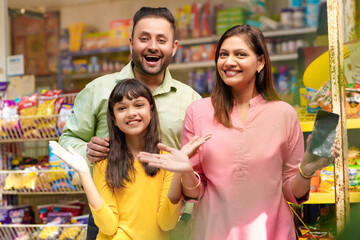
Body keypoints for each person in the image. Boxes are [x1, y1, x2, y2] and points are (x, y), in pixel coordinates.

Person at [138, 24, 340, 240]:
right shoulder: (198, 112)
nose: (229, 61)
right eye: (223, 54)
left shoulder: (284, 113)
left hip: (271, 233)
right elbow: (194, 193)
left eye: (240, 54)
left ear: (260, 62)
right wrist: (185, 171)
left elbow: (292, 193)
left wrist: (306, 171)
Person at [58, 7, 201, 239]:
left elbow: (201, 162)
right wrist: (87, 151)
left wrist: (189, 212)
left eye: (161, 40)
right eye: (144, 38)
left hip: (172, 218)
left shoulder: (191, 100)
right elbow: (67, 139)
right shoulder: (98, 90)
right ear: (131, 43)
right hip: (109, 218)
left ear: (173, 47)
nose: (152, 46)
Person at [51, 79, 208, 240]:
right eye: (122, 108)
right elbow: (108, 225)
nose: (131, 113)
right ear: (113, 118)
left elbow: (166, 222)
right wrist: (84, 173)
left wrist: (178, 171)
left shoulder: (165, 161)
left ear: (151, 110)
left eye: (139, 105)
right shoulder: (104, 161)